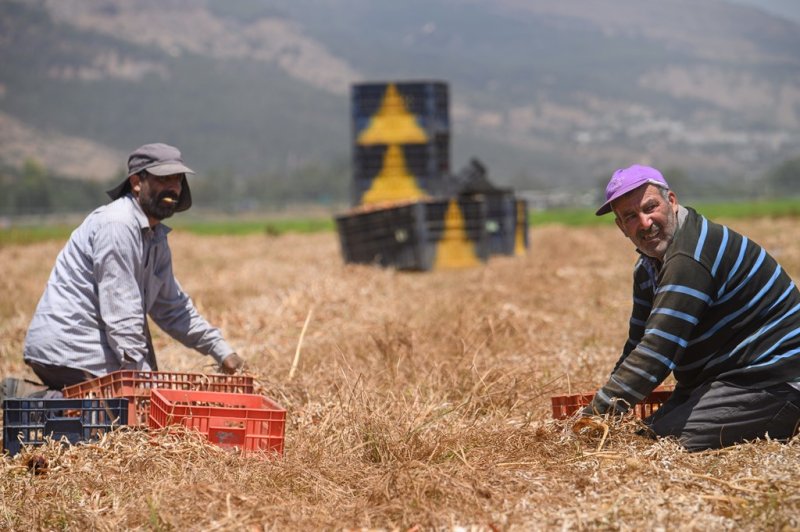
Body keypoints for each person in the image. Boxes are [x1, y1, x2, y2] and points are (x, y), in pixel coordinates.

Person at [584, 164, 800, 451]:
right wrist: (602, 410)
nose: (645, 223)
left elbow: (658, 352)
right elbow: (639, 344)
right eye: (631, 216)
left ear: (671, 201)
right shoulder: (648, 266)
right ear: (621, 227)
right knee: (643, 435)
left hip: (773, 381)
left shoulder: (689, 257)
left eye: (650, 208)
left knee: (660, 446)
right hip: (724, 380)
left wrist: (595, 416)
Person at [17, 143, 244, 395]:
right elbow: (121, 313)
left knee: (144, 405)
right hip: (72, 350)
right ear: (137, 182)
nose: (173, 188)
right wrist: (142, 383)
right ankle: (30, 399)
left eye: (177, 180)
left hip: (88, 352)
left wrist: (222, 351)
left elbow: (173, 308)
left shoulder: (155, 237)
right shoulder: (118, 226)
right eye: (163, 179)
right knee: (127, 414)